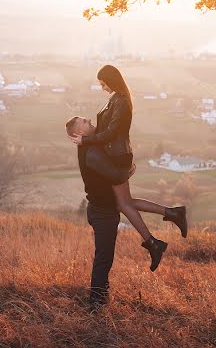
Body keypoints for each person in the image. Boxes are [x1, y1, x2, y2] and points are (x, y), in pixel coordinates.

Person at [68, 65, 188, 275]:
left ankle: (156, 239)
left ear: (110, 80)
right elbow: (108, 130)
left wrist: (87, 140)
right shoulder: (116, 99)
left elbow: (113, 132)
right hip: (115, 155)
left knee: (124, 204)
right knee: (126, 203)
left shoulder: (122, 101)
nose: (102, 88)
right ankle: (171, 217)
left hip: (118, 156)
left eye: (103, 83)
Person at [66, 113, 135, 310]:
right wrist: (130, 169)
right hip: (102, 212)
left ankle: (102, 298)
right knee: (103, 258)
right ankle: (96, 304)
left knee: (104, 256)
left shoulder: (89, 146)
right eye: (85, 122)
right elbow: (115, 176)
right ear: (79, 132)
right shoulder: (91, 152)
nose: (89, 120)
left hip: (101, 209)